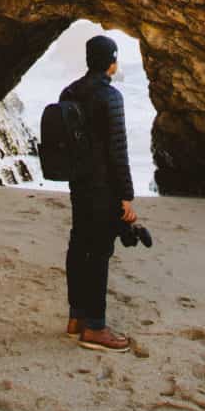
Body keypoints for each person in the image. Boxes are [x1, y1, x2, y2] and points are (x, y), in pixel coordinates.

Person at [60, 33, 137, 352]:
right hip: (103, 187)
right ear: (111, 62)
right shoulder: (110, 97)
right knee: (100, 252)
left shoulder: (69, 92)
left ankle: (76, 318)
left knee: (79, 245)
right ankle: (95, 327)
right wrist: (127, 196)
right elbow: (118, 150)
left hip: (78, 184)